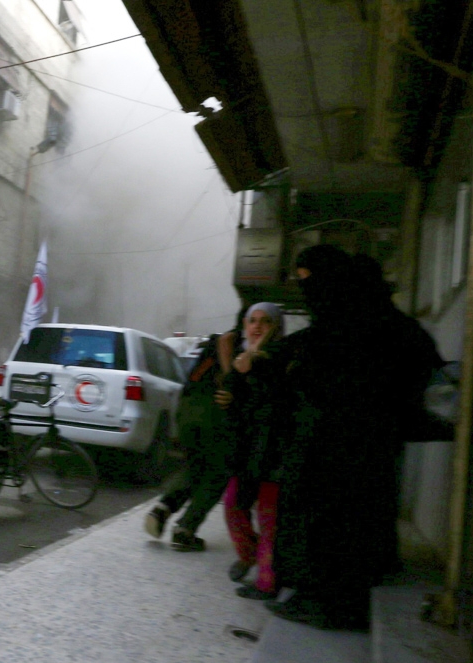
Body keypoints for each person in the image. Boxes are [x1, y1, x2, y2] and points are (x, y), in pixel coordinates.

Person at [268, 244, 435, 630]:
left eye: (308, 279)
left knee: (333, 518)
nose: (305, 289)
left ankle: (332, 602)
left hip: (344, 441)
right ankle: (324, 594)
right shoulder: (365, 316)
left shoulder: (357, 321)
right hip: (351, 438)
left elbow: (339, 372)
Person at [144, 327, 237, 551]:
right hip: (211, 410)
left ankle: (163, 508)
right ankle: (185, 529)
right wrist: (229, 379)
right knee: (217, 473)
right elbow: (227, 340)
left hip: (188, 408)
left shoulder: (209, 348)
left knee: (195, 465)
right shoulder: (241, 338)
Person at [222, 302, 290, 601]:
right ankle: (250, 555)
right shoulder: (244, 360)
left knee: (269, 518)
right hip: (249, 452)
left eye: (266, 322)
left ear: (277, 327)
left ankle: (267, 581)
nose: (257, 327)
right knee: (234, 506)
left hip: (274, 453)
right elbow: (232, 396)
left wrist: (252, 362)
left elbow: (273, 402)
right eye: (253, 321)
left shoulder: (280, 359)